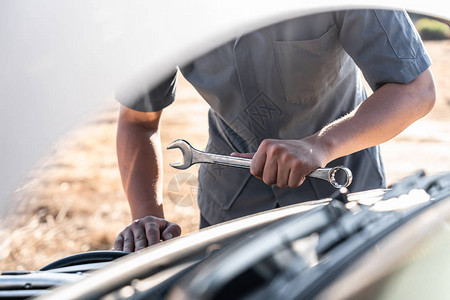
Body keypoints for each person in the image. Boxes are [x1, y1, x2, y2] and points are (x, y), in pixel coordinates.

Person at [113, 9, 435, 252]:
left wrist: (320, 145)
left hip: (344, 201)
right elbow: (137, 122)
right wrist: (147, 219)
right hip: (230, 214)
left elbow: (416, 90)